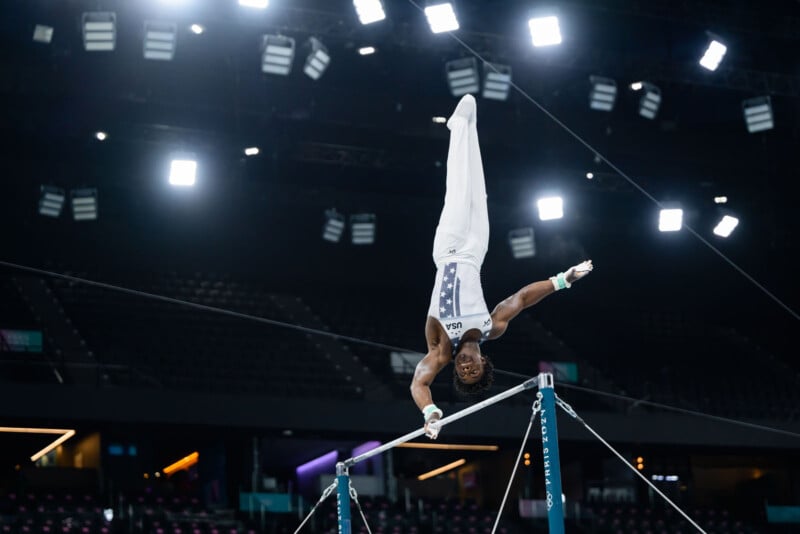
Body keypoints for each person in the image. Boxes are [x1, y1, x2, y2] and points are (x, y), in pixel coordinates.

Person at [410, 94, 593, 439]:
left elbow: (419, 382)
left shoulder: (440, 347)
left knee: (458, 191)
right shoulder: (492, 326)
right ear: (484, 363)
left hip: (448, 250)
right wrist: (563, 280)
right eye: (473, 370)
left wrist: (430, 411)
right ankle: (471, 125)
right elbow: (522, 299)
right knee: (478, 190)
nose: (465, 367)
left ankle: (457, 128)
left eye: (462, 373)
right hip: (476, 249)